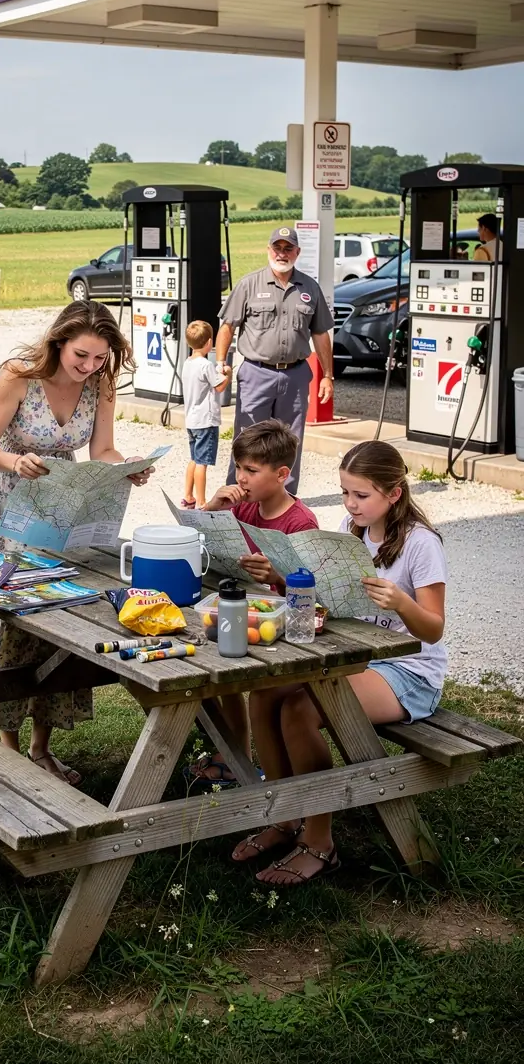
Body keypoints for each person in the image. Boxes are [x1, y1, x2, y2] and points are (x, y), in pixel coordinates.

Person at [235, 440, 447, 885]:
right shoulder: (351, 533)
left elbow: (432, 629)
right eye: (345, 493)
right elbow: (331, 602)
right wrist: (279, 575)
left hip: (409, 672)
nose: (351, 504)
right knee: (263, 692)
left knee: (301, 709)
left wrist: (403, 604)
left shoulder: (420, 544)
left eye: (361, 495)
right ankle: (284, 816)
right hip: (356, 657)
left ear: (394, 492)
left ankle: (319, 841)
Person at [0, 300, 149, 784]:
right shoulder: (17, 375)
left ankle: (41, 747)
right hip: (5, 501)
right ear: (59, 342)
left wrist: (126, 467)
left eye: (99, 358)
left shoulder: (101, 383)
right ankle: (9, 747)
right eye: (81, 356)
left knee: (57, 611)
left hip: (62, 501)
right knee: (13, 612)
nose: (89, 367)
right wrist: (14, 461)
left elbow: (102, 449)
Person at [187, 420, 318, 790]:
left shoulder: (300, 521)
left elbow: (310, 592)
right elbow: (199, 542)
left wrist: (277, 574)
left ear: (281, 475)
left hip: (280, 631)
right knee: (211, 676)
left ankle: (244, 764)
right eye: (239, 468)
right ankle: (233, 757)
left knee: (219, 675)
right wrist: (211, 507)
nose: (241, 479)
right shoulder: (242, 509)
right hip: (239, 614)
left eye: (251, 471)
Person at [214, 226, 335, 494]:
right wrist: (220, 363)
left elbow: (321, 333)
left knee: (291, 442)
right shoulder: (249, 283)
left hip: (296, 375)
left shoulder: (310, 287)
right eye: (277, 248)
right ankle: (239, 497)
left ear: (297, 252)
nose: (282, 253)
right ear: (269, 250)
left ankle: (283, 499)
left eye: (288, 248)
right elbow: (227, 326)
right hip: (256, 373)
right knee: (248, 438)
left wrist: (327, 375)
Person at [181, 320, 231, 509]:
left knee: (194, 458)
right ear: (210, 342)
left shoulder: (188, 363)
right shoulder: (205, 365)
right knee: (202, 463)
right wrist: (228, 373)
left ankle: (188, 496)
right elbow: (219, 386)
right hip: (206, 420)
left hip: (192, 419)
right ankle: (202, 501)